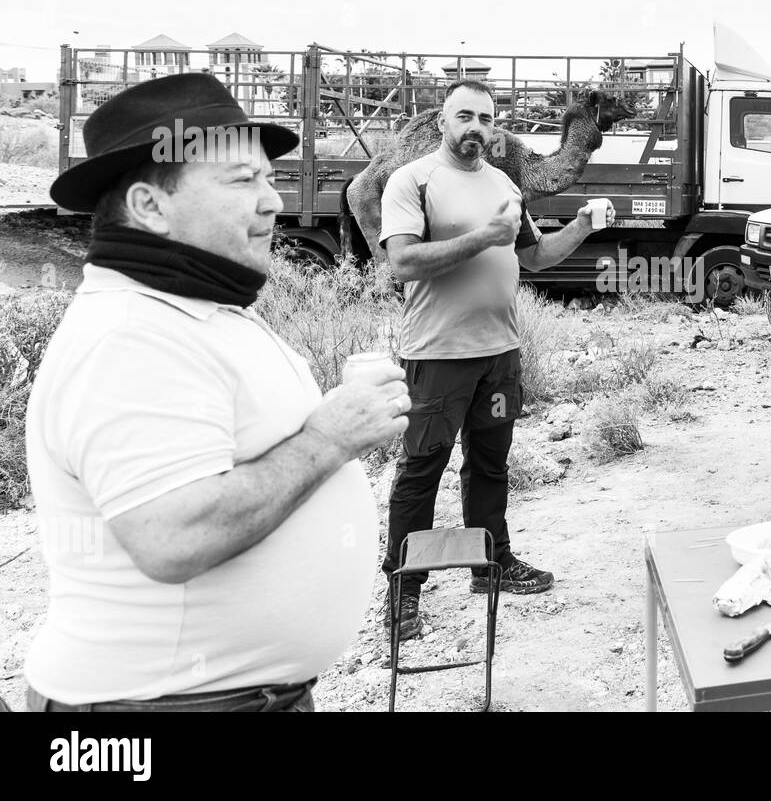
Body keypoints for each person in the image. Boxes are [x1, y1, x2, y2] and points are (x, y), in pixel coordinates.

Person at [25, 74, 409, 711]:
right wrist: (329, 437)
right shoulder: (129, 336)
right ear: (150, 207)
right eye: (240, 181)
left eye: (267, 178)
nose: (272, 203)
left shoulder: (188, 305)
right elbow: (175, 536)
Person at [380, 79, 613, 639]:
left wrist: (580, 227)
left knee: (490, 464)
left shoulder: (505, 183)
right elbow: (404, 262)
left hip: (499, 356)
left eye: (486, 119)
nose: (476, 128)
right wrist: (486, 236)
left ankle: (492, 565)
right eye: (465, 116)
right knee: (421, 469)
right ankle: (403, 589)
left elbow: (533, 255)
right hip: (437, 355)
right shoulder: (412, 181)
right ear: (442, 121)